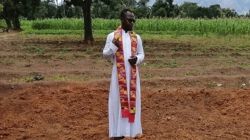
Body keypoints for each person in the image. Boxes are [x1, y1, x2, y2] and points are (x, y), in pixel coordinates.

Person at [103, 9, 145, 139]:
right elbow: (105, 55)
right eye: (129, 19)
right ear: (122, 19)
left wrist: (137, 60)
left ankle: (133, 132)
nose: (132, 22)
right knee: (117, 102)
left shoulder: (136, 38)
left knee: (133, 102)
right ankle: (117, 132)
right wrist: (114, 46)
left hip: (132, 76)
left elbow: (141, 54)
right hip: (118, 77)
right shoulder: (112, 36)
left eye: (133, 20)